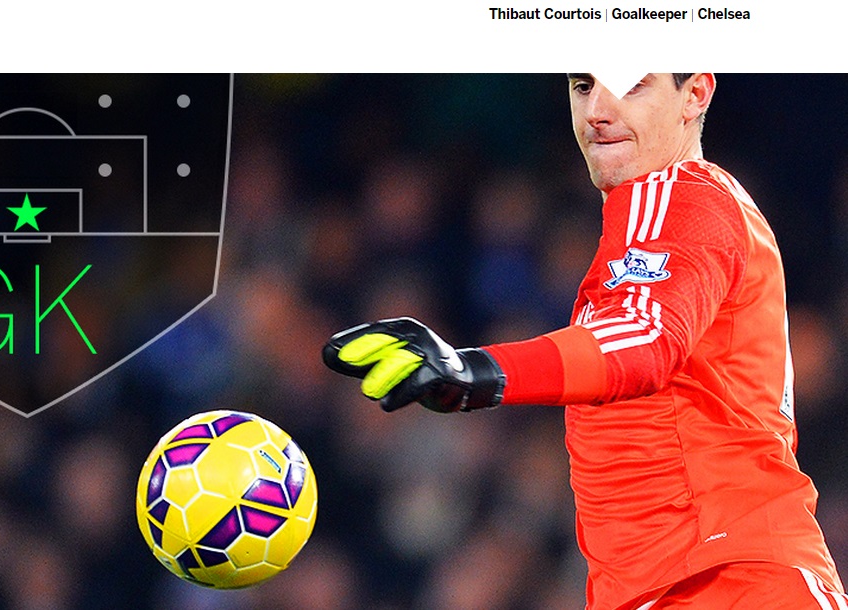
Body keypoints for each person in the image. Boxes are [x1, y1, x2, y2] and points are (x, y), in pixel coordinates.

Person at [322, 73, 847, 610]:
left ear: (695, 95)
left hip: (730, 580)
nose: (597, 109)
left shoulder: (682, 194)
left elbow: (643, 339)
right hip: (671, 584)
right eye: (582, 85)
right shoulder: (652, 232)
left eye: (632, 84)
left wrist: (475, 370)